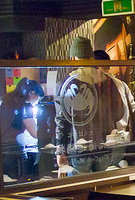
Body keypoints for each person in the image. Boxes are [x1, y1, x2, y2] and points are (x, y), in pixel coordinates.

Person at [54, 37, 129, 175]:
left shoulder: (66, 84)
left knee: (82, 186)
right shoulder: (107, 80)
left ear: (73, 58)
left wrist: (60, 151)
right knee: (102, 185)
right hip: (104, 147)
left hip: (78, 149)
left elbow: (61, 121)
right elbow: (119, 113)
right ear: (91, 56)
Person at [0, 78, 44, 180]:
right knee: (18, 182)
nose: (36, 103)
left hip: (1, 150)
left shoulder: (7, 101)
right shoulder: (25, 106)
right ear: (32, 93)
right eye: (37, 99)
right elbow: (35, 133)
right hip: (14, 152)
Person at [92, 48, 135, 130]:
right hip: (122, 131)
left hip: (105, 131)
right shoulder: (121, 84)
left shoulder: (95, 84)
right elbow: (132, 105)